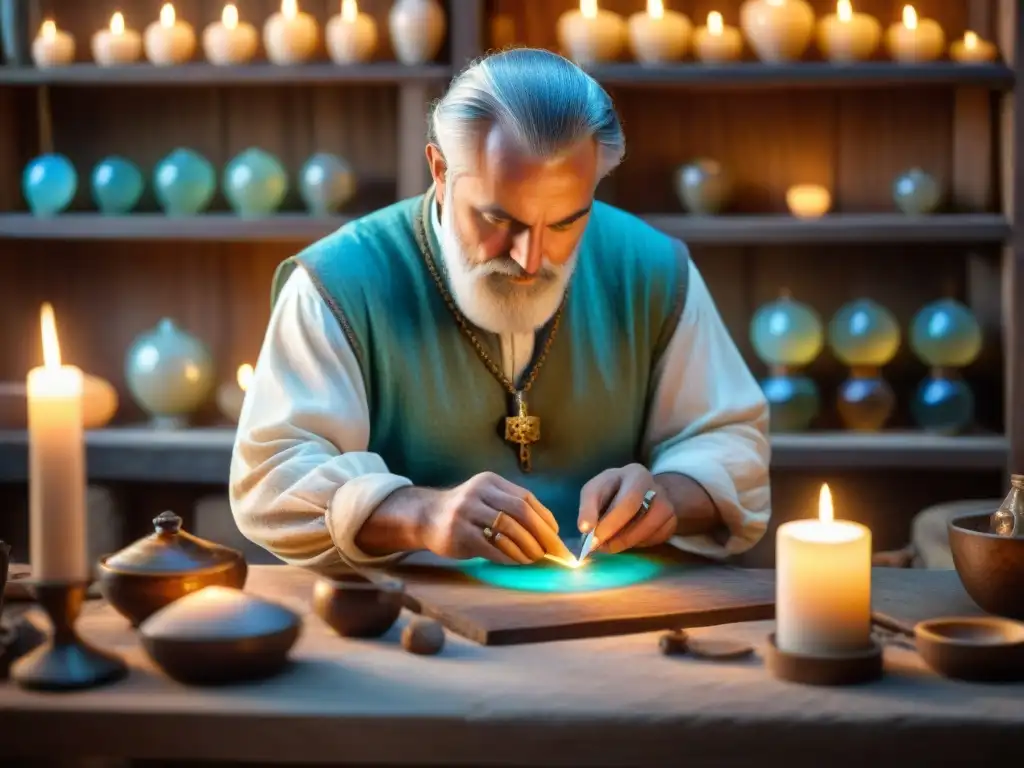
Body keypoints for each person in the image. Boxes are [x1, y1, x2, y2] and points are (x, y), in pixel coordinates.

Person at [229, 47, 771, 575]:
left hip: (619, 620)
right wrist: (419, 514)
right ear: (440, 169)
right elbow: (271, 480)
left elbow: (732, 446)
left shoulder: (653, 268)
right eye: (497, 219)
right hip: (411, 624)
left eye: (565, 223)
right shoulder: (339, 281)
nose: (530, 258)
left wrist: (669, 495)